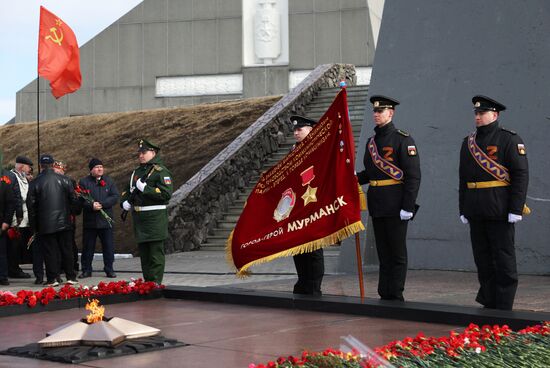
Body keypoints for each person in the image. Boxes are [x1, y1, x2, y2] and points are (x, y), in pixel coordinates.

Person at [459, 95, 529, 310]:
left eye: (482, 113)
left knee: (503, 258)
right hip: (476, 209)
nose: (478, 117)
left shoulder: (508, 139)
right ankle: (489, 300)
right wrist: (463, 208)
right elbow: (463, 178)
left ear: (495, 115)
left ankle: (504, 303)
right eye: (476, 113)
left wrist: (515, 208)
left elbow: (520, 174)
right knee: (483, 258)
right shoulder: (468, 142)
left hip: (500, 208)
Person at [356, 95, 421, 301]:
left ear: (390, 113)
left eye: (380, 111)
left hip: (396, 203)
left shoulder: (403, 139)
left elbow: (413, 175)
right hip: (377, 203)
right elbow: (371, 173)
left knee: (396, 252)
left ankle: (395, 292)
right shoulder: (371, 142)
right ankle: (384, 292)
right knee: (383, 252)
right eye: (375, 111)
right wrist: (355, 178)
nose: (376, 114)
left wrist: (408, 206)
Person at [121, 139, 173, 284]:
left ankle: (156, 283)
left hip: (155, 218)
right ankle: (148, 282)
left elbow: (166, 194)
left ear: (153, 153)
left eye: (144, 152)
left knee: (155, 254)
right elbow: (127, 190)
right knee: (144, 254)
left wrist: (146, 189)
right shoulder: (136, 172)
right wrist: (124, 202)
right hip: (140, 218)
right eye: (139, 153)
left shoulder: (160, 172)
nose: (141, 155)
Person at [27, 154, 79, 287]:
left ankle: (53, 278)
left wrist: (34, 227)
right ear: (53, 164)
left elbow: (31, 207)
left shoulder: (35, 183)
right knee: (67, 249)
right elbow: (73, 200)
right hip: (64, 221)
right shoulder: (65, 180)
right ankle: (71, 276)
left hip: (45, 224)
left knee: (50, 251)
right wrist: (71, 214)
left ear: (40, 166)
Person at [289, 115, 325, 295]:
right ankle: (302, 281)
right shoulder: (294, 150)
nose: (296, 132)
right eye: (294, 130)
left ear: (311, 130)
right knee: (298, 246)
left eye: (300, 129)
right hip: (297, 206)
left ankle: (314, 285)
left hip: (313, 203)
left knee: (313, 247)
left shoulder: (318, 149)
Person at [78, 158, 119, 279]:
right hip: (90, 221)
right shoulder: (84, 182)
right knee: (88, 247)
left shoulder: (109, 181)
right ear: (91, 170)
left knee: (108, 246)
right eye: (97, 167)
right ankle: (86, 270)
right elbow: (81, 199)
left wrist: (102, 204)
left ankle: (109, 268)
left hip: (105, 221)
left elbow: (115, 196)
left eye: (101, 166)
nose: (100, 169)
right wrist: (91, 205)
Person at [52, 160, 82, 278]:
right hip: (55, 217)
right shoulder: (51, 181)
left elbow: (75, 200)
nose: (57, 172)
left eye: (59, 169)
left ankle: (72, 265)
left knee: (69, 244)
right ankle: (59, 266)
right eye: (55, 169)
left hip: (68, 217)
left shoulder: (70, 182)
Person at [6, 156, 33, 279]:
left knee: (18, 245)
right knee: (14, 246)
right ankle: (13, 269)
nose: (30, 170)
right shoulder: (12, 177)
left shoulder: (22, 177)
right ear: (22, 167)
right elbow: (21, 196)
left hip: (23, 217)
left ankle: (14, 267)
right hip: (16, 218)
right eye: (28, 167)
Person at [0, 148, 16, 285]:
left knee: (1, 251)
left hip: (1, 222)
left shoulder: (5, 180)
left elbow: (11, 203)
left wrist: (6, 221)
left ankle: (2, 276)